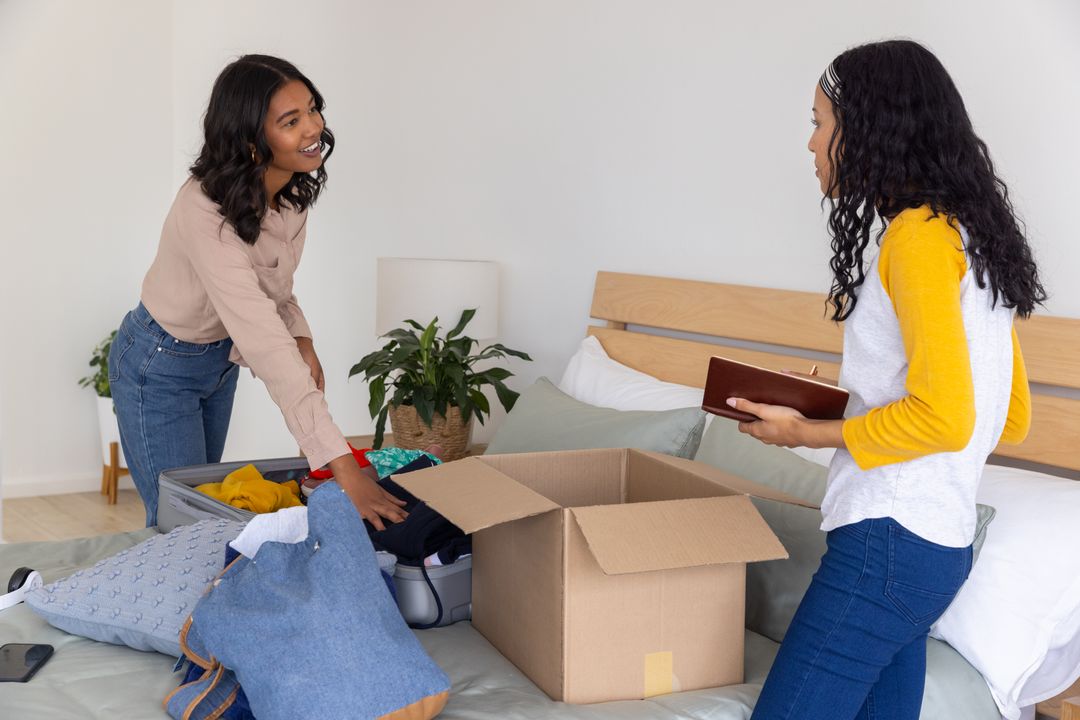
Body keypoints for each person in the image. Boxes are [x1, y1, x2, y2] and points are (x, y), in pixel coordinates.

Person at [728, 40, 1045, 720]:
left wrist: (802, 431)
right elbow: (1004, 415)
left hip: (887, 548)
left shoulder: (916, 239)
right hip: (936, 548)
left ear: (867, 126)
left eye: (819, 122)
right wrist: (833, 398)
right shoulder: (973, 240)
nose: (811, 143)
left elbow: (945, 417)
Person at [109, 55, 406, 530]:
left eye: (312, 109)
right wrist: (342, 468)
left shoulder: (291, 191)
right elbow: (263, 339)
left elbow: (274, 290)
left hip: (218, 363)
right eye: (291, 121)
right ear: (251, 142)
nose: (313, 128)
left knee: (213, 515)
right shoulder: (205, 214)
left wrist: (302, 337)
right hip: (159, 367)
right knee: (183, 529)